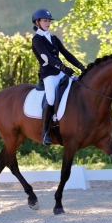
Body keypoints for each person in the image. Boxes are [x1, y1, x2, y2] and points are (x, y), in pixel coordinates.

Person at [31, 8, 85, 146]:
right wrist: (63, 67)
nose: (48, 23)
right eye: (45, 21)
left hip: (61, 72)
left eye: (48, 21)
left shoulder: (53, 38)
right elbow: (46, 58)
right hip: (48, 74)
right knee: (50, 98)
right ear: (37, 22)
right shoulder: (37, 39)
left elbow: (66, 54)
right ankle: (45, 132)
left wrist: (81, 66)